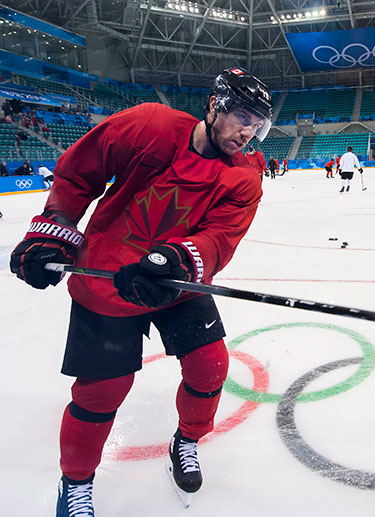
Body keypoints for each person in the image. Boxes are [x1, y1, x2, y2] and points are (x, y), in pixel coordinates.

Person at [9, 66, 272, 515]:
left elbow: (222, 236)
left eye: (257, 123)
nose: (248, 131)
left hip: (175, 278)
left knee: (210, 366)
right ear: (213, 106)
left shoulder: (246, 175)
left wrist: (178, 259)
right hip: (109, 273)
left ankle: (186, 441)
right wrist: (54, 230)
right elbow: (78, 173)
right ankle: (75, 482)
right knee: (101, 392)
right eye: (242, 116)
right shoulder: (148, 124)